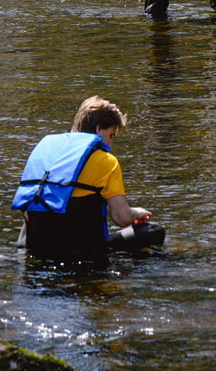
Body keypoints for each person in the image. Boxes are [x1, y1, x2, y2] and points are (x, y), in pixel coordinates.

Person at [11, 96, 158, 260]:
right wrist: (137, 213)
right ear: (98, 130)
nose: (110, 145)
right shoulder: (106, 161)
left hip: (33, 251)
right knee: (153, 231)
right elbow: (121, 218)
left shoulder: (46, 154)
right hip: (81, 254)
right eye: (111, 135)